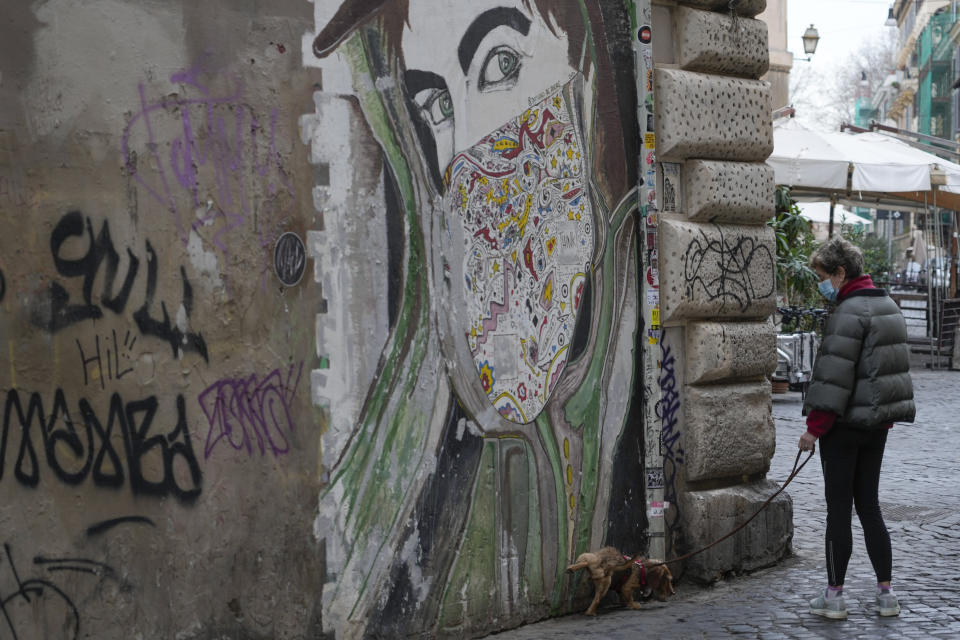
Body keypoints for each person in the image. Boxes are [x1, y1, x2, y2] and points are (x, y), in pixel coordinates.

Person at [799, 237, 915, 620]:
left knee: (838, 510)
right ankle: (886, 595)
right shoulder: (889, 307)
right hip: (877, 426)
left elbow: (834, 377)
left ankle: (834, 597)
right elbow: (891, 371)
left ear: (840, 272)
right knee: (869, 506)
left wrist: (814, 430)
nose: (821, 284)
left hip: (843, 427)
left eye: (822, 276)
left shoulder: (847, 313)